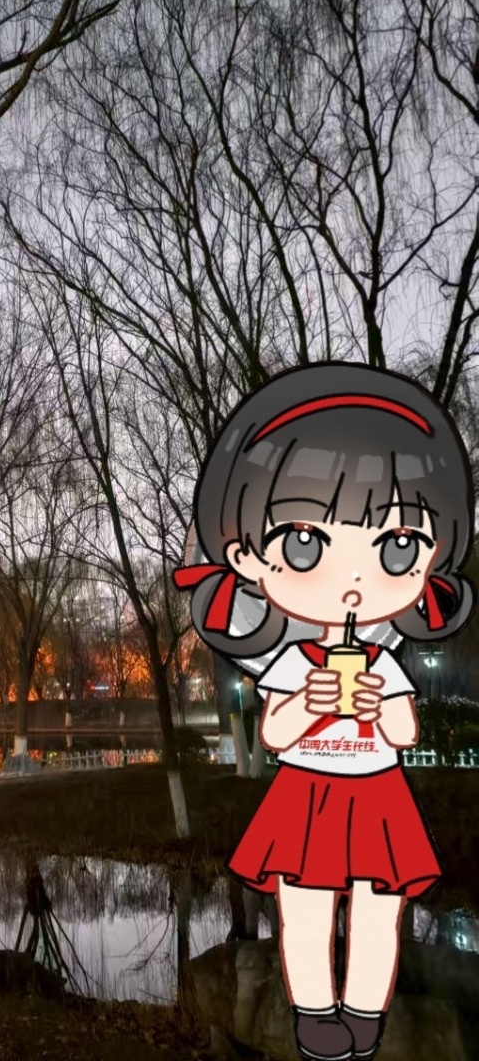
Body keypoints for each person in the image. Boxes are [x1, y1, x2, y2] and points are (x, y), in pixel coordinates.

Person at [173, 363, 474, 1061]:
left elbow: (404, 729)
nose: (356, 581)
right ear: (246, 557)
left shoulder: (385, 662)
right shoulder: (290, 662)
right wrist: (306, 704)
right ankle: (314, 1013)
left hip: (377, 794)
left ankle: (365, 1012)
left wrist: (379, 709)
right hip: (307, 792)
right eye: (306, 543)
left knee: (377, 911)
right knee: (305, 910)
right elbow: (277, 733)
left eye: (397, 546)